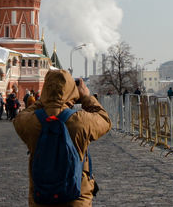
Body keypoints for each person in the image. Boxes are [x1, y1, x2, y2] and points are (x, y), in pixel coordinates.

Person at [14, 71, 111, 207]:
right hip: (77, 199)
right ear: (72, 91)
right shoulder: (80, 121)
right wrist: (85, 97)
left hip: (41, 198)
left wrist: (45, 100)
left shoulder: (31, 121)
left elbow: (20, 117)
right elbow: (105, 120)